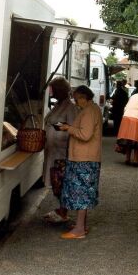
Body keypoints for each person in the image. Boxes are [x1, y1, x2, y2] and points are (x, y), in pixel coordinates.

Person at [58, 85, 103, 239]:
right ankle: (81, 225)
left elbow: (85, 135)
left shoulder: (89, 111)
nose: (76, 103)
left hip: (84, 158)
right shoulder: (92, 109)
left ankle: (79, 230)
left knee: (81, 194)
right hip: (86, 157)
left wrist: (67, 128)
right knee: (84, 192)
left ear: (84, 97)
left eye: (77, 99)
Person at [42, 77, 78, 223]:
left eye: (54, 90)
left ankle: (63, 211)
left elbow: (73, 128)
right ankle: (61, 209)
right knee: (56, 181)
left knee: (60, 182)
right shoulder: (58, 105)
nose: (52, 92)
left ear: (61, 91)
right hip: (53, 150)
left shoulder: (70, 108)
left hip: (62, 152)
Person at [115, 83, 138, 167]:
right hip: (137, 118)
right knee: (137, 141)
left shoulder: (133, 96)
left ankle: (127, 159)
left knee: (128, 139)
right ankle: (136, 161)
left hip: (126, 117)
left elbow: (126, 107)